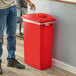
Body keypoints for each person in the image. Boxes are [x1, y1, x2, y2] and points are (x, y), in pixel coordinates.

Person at [0, 0, 36, 74]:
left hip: (13, 6)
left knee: (12, 35)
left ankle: (11, 59)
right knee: (0, 37)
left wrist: (28, 2)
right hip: (1, 8)